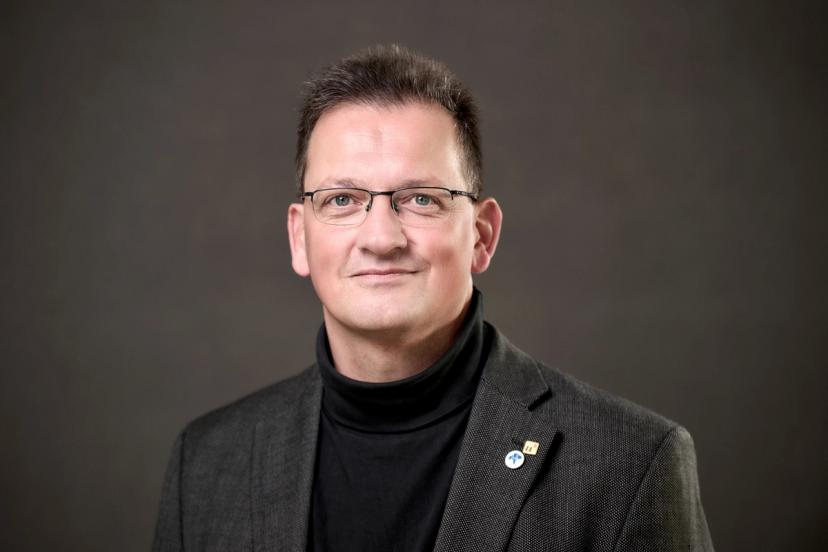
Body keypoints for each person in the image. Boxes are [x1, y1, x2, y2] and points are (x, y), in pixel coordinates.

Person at [152, 44, 714, 552]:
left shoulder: (632, 465)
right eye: (342, 199)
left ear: (482, 236)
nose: (381, 238)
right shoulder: (206, 463)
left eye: (420, 199)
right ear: (300, 237)